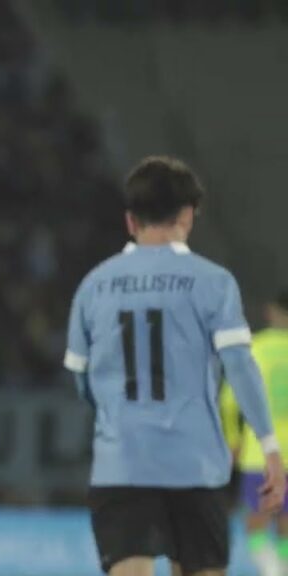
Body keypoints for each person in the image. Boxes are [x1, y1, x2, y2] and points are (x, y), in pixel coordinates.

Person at [63, 156, 287, 576]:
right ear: (187, 215)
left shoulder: (94, 285)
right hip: (194, 464)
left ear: (131, 220)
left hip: (122, 464)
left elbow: (81, 379)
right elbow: (240, 367)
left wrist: (117, 417)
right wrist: (269, 446)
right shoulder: (213, 281)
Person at [220, 290, 288, 576]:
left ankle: (274, 572)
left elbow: (228, 400)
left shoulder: (254, 348)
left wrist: (232, 441)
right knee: (286, 529)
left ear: (272, 312)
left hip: (260, 455)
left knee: (257, 526)